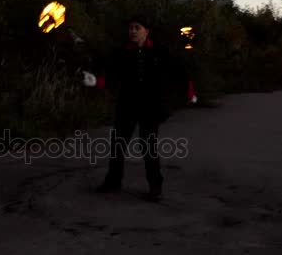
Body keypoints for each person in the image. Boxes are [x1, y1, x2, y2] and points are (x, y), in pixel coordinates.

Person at [82, 16, 197, 201]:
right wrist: (96, 81)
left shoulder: (160, 51)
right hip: (126, 105)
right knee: (118, 145)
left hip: (150, 107)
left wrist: (189, 91)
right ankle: (113, 181)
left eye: (137, 27)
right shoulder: (122, 52)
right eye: (130, 28)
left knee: (148, 146)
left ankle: (155, 186)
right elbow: (112, 75)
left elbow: (178, 70)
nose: (133, 31)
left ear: (146, 31)